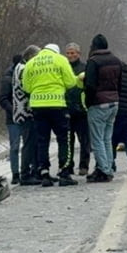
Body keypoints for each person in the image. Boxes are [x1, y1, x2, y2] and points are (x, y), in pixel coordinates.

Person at [22, 43, 81, 186]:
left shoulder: (31, 63)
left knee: (42, 140)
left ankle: (44, 173)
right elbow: (70, 82)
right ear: (57, 51)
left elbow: (26, 87)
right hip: (57, 105)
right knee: (63, 139)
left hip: (38, 106)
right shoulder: (60, 60)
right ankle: (64, 172)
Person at [83, 34, 123, 182]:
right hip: (114, 102)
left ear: (94, 46)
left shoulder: (93, 62)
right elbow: (120, 83)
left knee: (97, 140)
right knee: (107, 138)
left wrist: (88, 102)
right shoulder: (116, 60)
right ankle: (108, 166)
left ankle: (104, 170)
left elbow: (90, 85)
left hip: (98, 104)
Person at [12, 45, 40, 184]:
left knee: (31, 142)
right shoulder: (24, 69)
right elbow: (28, 88)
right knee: (29, 143)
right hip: (25, 112)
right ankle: (25, 174)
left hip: (21, 111)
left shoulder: (19, 67)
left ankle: (33, 171)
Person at [63, 42, 90, 177]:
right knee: (68, 141)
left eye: (73, 53)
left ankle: (84, 166)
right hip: (66, 109)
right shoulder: (63, 68)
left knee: (84, 140)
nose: (70, 55)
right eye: (68, 53)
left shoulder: (85, 68)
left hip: (82, 110)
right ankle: (68, 166)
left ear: (78, 54)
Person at [0, 54, 23, 184]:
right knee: (15, 146)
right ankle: (16, 173)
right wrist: (15, 110)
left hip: (25, 116)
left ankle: (25, 170)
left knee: (27, 145)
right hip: (13, 118)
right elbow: (3, 99)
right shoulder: (8, 78)